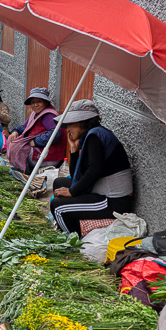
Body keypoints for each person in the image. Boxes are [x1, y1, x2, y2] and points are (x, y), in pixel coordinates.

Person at [50, 100, 133, 235]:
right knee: (59, 182)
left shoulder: (95, 136)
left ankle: (72, 238)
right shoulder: (92, 136)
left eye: (71, 123)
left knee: (58, 207)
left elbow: (95, 170)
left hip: (114, 201)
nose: (68, 129)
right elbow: (77, 176)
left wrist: (73, 192)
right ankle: (70, 223)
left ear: (83, 121)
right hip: (100, 191)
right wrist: (74, 150)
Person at [7, 87, 66, 174]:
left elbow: (56, 133)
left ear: (46, 102)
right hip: (39, 151)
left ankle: (26, 172)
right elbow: (24, 127)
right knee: (11, 140)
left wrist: (36, 141)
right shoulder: (35, 113)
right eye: (33, 102)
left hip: (49, 156)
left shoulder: (48, 115)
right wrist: (15, 131)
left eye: (39, 101)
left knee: (19, 149)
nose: (36, 105)